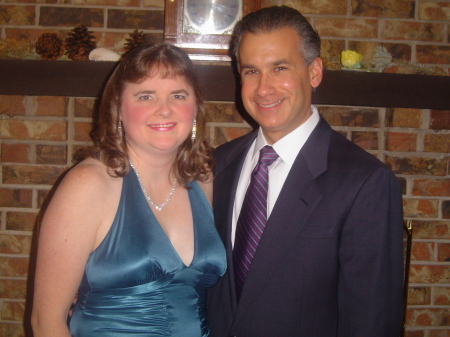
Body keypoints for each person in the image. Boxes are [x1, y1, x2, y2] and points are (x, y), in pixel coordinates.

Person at [207, 6, 404, 337]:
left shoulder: (365, 183)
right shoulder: (216, 165)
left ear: (314, 72)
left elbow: (371, 322)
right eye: (251, 71)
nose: (263, 89)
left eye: (279, 68)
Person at [31, 42, 226, 337]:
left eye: (178, 95)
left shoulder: (202, 179)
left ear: (195, 109)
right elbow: (46, 322)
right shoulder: (88, 185)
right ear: (118, 109)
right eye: (146, 96)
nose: (164, 109)